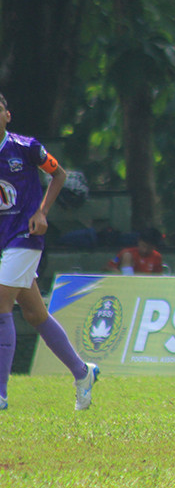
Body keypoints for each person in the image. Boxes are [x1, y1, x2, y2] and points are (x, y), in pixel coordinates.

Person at [0, 92, 99, 411]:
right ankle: (83, 373)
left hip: (25, 237)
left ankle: (0, 393)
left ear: (7, 115)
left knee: (1, 302)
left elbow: (58, 174)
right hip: (2, 241)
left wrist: (41, 212)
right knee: (34, 313)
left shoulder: (26, 148)